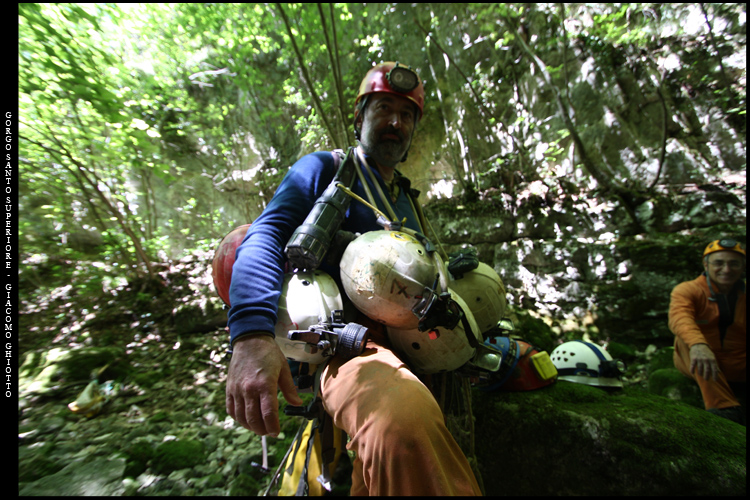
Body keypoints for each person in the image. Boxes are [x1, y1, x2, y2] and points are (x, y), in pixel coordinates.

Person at [224, 62, 483, 495]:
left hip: (418, 339)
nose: (395, 123)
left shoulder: (406, 199)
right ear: (360, 116)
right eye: (384, 109)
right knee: (401, 425)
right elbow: (266, 235)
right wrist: (251, 337)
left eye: (406, 115)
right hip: (350, 343)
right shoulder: (324, 170)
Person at [669, 239, 746, 425]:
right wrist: (698, 344)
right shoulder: (688, 290)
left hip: (737, 362)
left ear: (742, 267)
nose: (726, 270)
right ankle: (723, 408)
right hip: (700, 359)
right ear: (706, 265)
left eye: (733, 264)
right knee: (684, 340)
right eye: (719, 263)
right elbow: (679, 317)